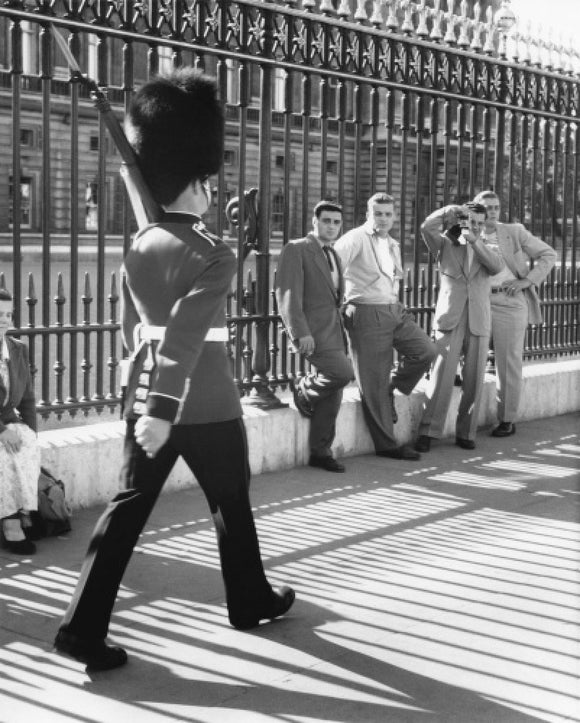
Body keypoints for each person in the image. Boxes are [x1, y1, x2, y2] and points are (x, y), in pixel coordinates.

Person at [54, 69, 294, 672]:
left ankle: (82, 627)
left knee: (126, 512)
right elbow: (187, 334)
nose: (214, 189)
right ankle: (247, 597)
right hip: (205, 404)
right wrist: (165, 410)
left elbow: (138, 320)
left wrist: (148, 402)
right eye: (208, 181)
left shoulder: (141, 243)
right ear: (198, 181)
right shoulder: (215, 251)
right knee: (231, 503)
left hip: (146, 402)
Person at [334, 193, 436, 461]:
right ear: (368, 214)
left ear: (394, 216)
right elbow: (331, 266)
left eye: (388, 214)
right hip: (366, 311)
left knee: (425, 351)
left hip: (394, 309)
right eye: (378, 213)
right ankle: (387, 445)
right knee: (373, 381)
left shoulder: (391, 243)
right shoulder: (355, 238)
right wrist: (338, 302)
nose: (383, 218)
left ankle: (392, 386)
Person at [415, 202, 504, 452]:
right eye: (469, 221)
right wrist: (448, 211)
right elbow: (425, 227)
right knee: (441, 376)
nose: (473, 226)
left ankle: (467, 432)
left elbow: (496, 267)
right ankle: (428, 431)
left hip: (478, 319)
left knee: (474, 379)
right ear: (461, 221)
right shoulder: (444, 243)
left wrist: (474, 240)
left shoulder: (490, 246)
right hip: (450, 319)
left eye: (478, 222)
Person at [275, 201, 354, 473]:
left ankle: (321, 451)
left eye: (336, 222)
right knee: (342, 374)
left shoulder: (334, 254)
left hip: (334, 331)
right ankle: (305, 391)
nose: (332, 226)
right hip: (312, 333)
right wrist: (300, 333)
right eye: (327, 221)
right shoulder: (297, 249)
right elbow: (287, 295)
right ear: (314, 222)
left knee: (333, 393)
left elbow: (332, 297)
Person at [473, 190, 557, 437]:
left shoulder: (514, 231)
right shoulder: (468, 232)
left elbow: (548, 254)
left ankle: (507, 419)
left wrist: (528, 281)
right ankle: (464, 421)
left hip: (509, 301)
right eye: (487, 207)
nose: (492, 211)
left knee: (508, 362)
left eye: (496, 207)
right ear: (476, 209)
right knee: (466, 353)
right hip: (477, 300)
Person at [0, 289, 40, 555]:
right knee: (2, 454)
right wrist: (1, 431)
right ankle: (10, 524)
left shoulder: (17, 349)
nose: (4, 319)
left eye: (8, 314)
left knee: (26, 443)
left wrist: (31, 434)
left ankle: (24, 510)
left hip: (8, 421)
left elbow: (26, 397)